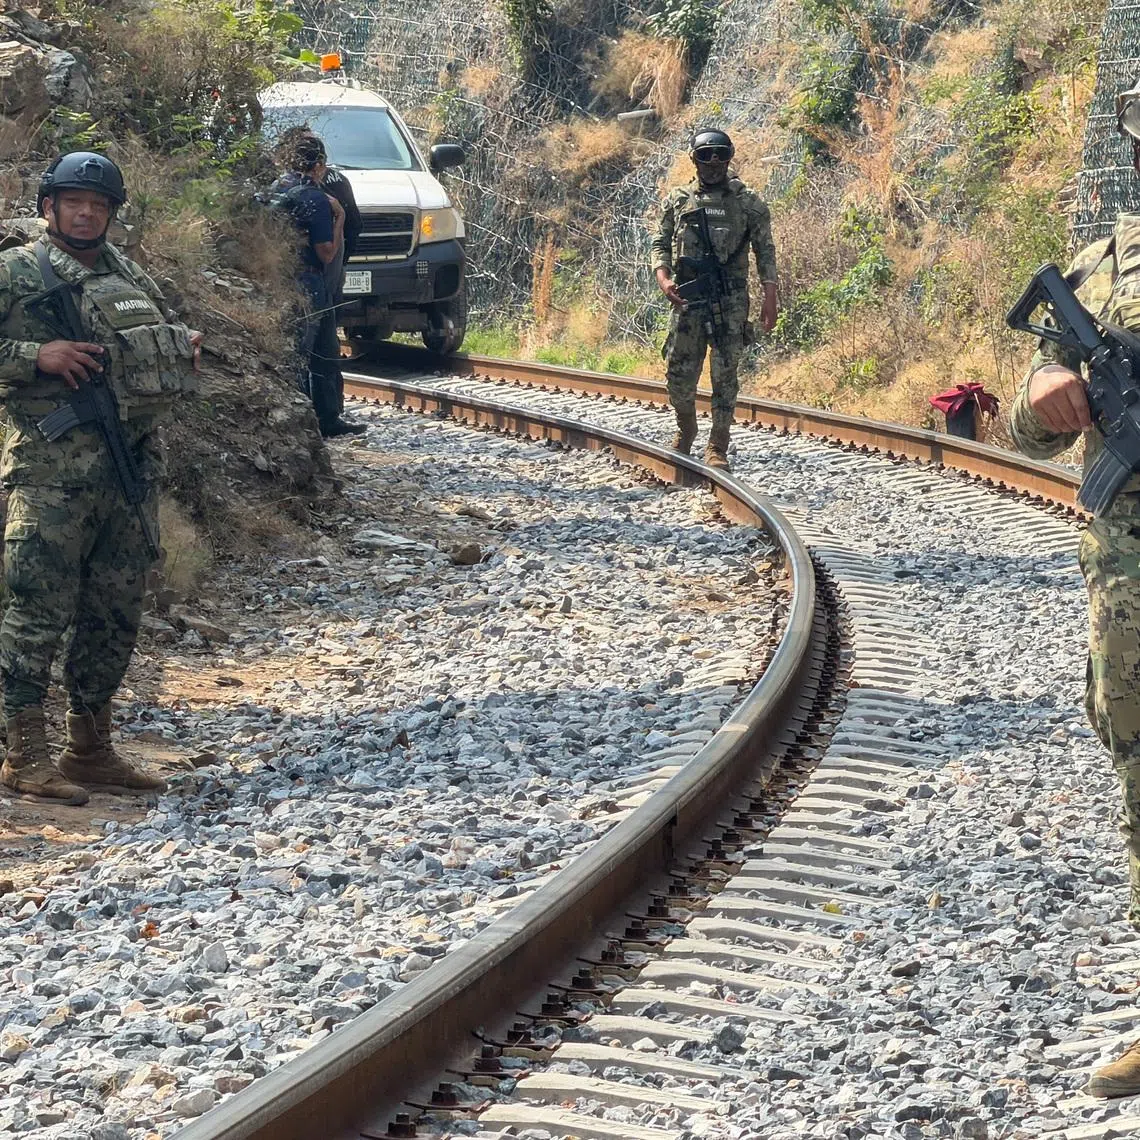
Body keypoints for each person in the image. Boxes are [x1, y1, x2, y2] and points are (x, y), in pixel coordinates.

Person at [1009, 76, 1140, 1099]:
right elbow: (1024, 413)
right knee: (1136, 757)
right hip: (1127, 566)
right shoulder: (1098, 269)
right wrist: (1041, 401)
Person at [0, 151, 201, 805]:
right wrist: (36, 356)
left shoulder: (129, 272)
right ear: (49, 207)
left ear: (112, 213)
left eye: (99, 204)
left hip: (127, 468)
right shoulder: (16, 270)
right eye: (74, 202)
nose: (87, 213)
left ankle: (89, 748)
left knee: (114, 612)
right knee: (34, 611)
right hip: (49, 473)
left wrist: (176, 348)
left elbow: (153, 337)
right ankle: (23, 755)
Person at [650, 128, 779, 469]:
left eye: (721, 155)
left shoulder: (749, 203)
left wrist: (770, 295)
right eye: (706, 156)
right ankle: (686, 428)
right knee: (679, 376)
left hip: (730, 300)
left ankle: (717, 445)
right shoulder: (678, 200)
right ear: (694, 159)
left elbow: (765, 251)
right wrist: (664, 279)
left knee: (725, 375)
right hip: (688, 299)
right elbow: (660, 242)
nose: (714, 163)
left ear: (730, 157)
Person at [266, 133, 364, 437]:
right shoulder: (316, 198)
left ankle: (315, 419)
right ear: (319, 165)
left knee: (303, 347)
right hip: (310, 279)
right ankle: (318, 420)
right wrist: (339, 217)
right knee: (316, 350)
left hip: (280, 278)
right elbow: (327, 251)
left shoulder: (275, 189)